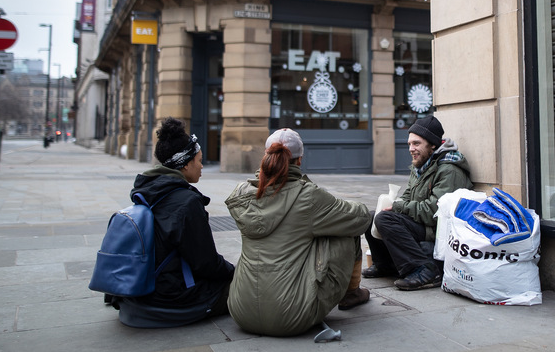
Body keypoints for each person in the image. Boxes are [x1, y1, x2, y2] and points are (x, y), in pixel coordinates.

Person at [225, 128, 371, 337]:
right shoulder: (307, 197)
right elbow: (361, 219)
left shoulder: (242, 193)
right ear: (299, 160)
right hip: (291, 315)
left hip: (240, 310)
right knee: (346, 229)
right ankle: (352, 293)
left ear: (265, 157)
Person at [114, 117, 235, 328]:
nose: (202, 166)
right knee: (247, 286)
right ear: (186, 164)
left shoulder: (148, 191)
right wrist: (235, 272)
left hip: (141, 291)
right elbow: (206, 264)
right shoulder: (186, 203)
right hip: (173, 298)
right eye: (199, 160)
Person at [364, 115, 473, 290]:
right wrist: (394, 205)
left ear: (433, 144)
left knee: (384, 219)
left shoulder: (449, 170)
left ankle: (426, 270)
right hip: (421, 222)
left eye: (416, 143)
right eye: (409, 144)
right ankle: (385, 264)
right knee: (371, 217)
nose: (411, 149)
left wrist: (399, 207)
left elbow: (435, 212)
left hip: (436, 229)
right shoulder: (421, 165)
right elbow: (407, 196)